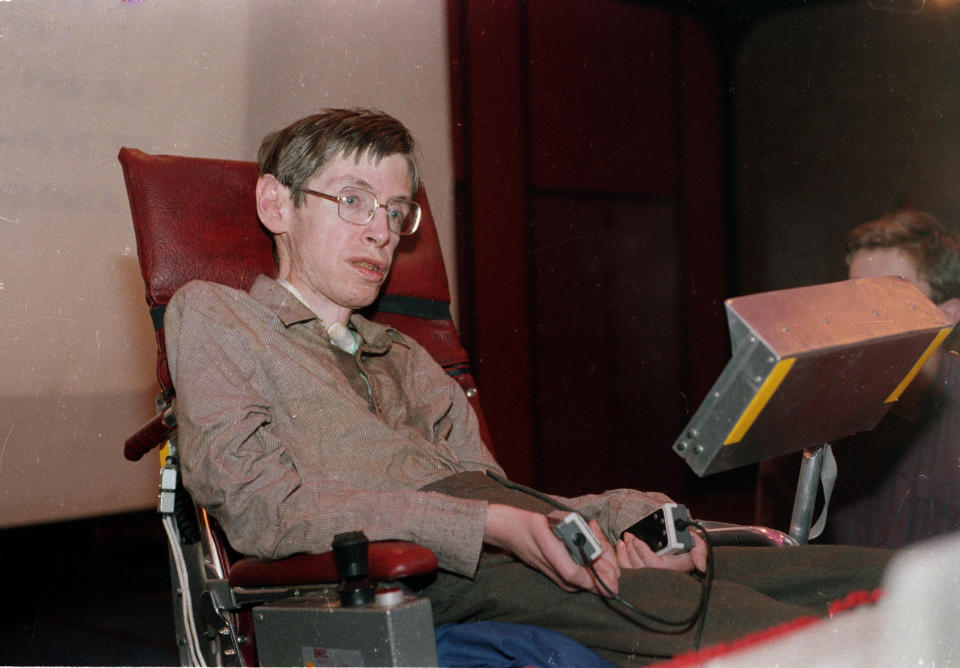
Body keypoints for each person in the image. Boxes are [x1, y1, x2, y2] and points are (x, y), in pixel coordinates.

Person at [165, 108, 891, 665]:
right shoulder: (218, 316)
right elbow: (263, 509)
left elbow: (511, 505)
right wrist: (483, 528)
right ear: (275, 204)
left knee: (889, 577)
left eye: (395, 211)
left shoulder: (407, 358)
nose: (382, 233)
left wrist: (634, 520)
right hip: (413, 572)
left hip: (489, 547)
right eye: (354, 200)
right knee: (811, 635)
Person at [756, 210, 960, 548]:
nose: (864, 320)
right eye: (853, 300)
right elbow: (770, 558)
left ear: (948, 314)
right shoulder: (809, 424)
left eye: (886, 298)